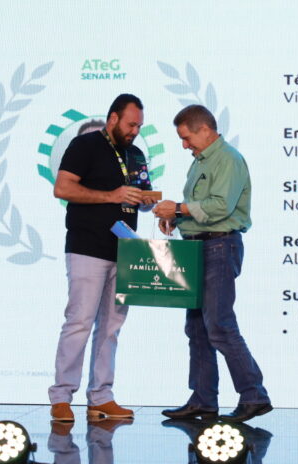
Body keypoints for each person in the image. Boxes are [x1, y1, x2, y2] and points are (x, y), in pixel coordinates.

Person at [153, 104, 272, 423]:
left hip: (219, 247)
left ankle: (254, 395)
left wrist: (179, 208)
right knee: (196, 328)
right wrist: (175, 219)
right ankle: (203, 400)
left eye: (186, 137)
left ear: (205, 130)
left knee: (219, 324)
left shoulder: (228, 159)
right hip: (197, 247)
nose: (184, 145)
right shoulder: (200, 162)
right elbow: (199, 207)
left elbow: (220, 207)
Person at [49, 93, 154, 422]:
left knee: (111, 327)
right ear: (113, 119)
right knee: (79, 321)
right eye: (131, 124)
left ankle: (101, 396)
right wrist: (112, 195)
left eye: (139, 126)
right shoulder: (85, 146)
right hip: (87, 246)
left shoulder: (136, 154)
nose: (135, 131)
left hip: (125, 250)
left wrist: (149, 201)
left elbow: (142, 193)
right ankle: (62, 396)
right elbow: (63, 189)